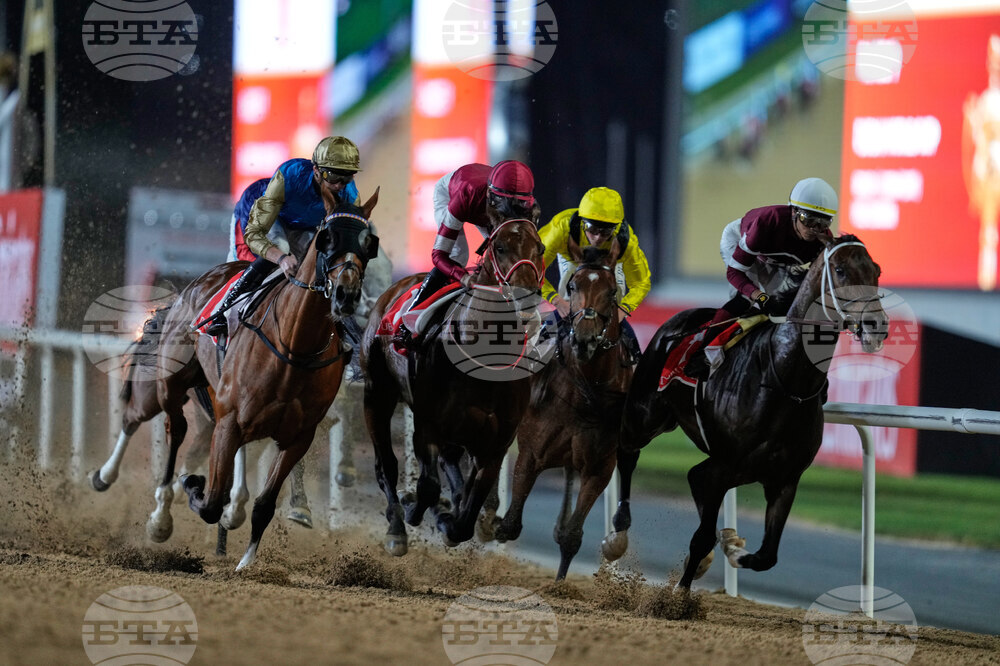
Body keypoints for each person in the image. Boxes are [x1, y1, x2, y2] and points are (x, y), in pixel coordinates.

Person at [202, 136, 362, 337]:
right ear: (316, 171)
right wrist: (280, 258)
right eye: (333, 177)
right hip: (264, 214)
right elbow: (254, 234)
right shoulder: (290, 176)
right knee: (280, 251)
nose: (340, 185)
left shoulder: (350, 195)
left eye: (347, 177)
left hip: (303, 224)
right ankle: (222, 313)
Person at [686, 177, 837, 379]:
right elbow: (734, 273)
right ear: (793, 212)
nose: (813, 230)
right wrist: (760, 296)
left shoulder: (821, 240)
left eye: (822, 223)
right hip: (742, 244)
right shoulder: (767, 222)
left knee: (783, 309)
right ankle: (703, 355)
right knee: (746, 300)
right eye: (808, 221)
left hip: (776, 261)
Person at [392, 159, 538, 346]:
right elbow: (438, 255)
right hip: (451, 194)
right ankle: (410, 318)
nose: (510, 212)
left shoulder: (529, 209)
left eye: (516, 206)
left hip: (481, 201)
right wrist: (463, 277)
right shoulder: (466, 195)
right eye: (505, 205)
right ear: (491, 195)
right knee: (458, 255)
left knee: (513, 252)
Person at [538, 186, 650, 361]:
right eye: (591, 229)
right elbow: (533, 267)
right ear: (583, 222)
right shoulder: (561, 228)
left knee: (612, 307)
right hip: (574, 258)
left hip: (610, 262)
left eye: (606, 232)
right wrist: (557, 300)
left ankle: (636, 361)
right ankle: (533, 353)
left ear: (615, 228)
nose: (598, 238)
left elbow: (641, 283)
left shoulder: (625, 241)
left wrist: (622, 310)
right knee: (570, 301)